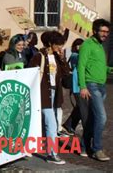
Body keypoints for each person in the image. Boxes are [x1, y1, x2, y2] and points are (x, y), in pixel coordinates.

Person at [28, 31, 69, 164]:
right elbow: (30, 74)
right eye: (58, 44)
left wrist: (62, 59)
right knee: (51, 124)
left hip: (54, 94)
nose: (60, 47)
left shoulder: (57, 57)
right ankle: (52, 154)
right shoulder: (39, 56)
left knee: (48, 123)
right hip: (42, 94)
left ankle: (34, 147)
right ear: (51, 43)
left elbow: (65, 73)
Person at [78, 19, 112, 161]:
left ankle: (84, 146)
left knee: (93, 118)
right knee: (102, 117)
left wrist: (110, 69)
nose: (105, 34)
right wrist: (83, 86)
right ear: (95, 31)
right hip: (91, 85)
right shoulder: (87, 45)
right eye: (102, 31)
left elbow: (100, 67)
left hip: (101, 86)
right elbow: (81, 65)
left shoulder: (100, 46)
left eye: (107, 32)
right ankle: (97, 149)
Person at [62, 38, 87, 136]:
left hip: (82, 85)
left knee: (79, 108)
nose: (82, 47)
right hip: (77, 86)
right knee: (83, 108)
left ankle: (69, 125)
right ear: (76, 46)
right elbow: (82, 60)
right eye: (80, 45)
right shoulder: (74, 55)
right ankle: (70, 126)